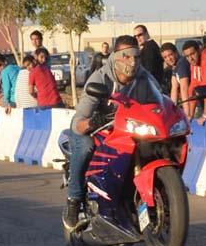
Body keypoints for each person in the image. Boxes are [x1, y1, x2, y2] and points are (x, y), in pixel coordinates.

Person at [65, 35, 164, 227]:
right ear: (115, 57)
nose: (132, 61)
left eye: (135, 55)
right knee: (85, 146)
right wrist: (92, 122)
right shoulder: (100, 78)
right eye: (126, 56)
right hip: (96, 129)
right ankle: (74, 199)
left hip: (126, 129)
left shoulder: (143, 76)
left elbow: (159, 98)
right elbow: (78, 122)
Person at [160, 42, 191, 117]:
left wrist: (187, 113)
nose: (168, 59)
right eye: (165, 57)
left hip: (194, 104)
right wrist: (172, 110)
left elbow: (184, 88)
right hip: (189, 102)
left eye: (170, 55)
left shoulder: (182, 64)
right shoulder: (175, 66)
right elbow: (174, 88)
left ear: (176, 53)